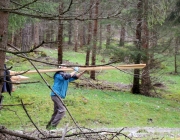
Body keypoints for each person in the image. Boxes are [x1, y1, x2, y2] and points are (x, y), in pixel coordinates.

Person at [46, 65, 86, 130]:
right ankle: (53, 126)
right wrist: (75, 70)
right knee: (62, 110)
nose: (66, 67)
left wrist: (83, 72)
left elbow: (75, 77)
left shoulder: (65, 76)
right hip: (56, 95)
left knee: (56, 112)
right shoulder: (58, 75)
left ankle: (49, 127)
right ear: (60, 68)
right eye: (64, 67)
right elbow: (66, 76)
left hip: (58, 96)